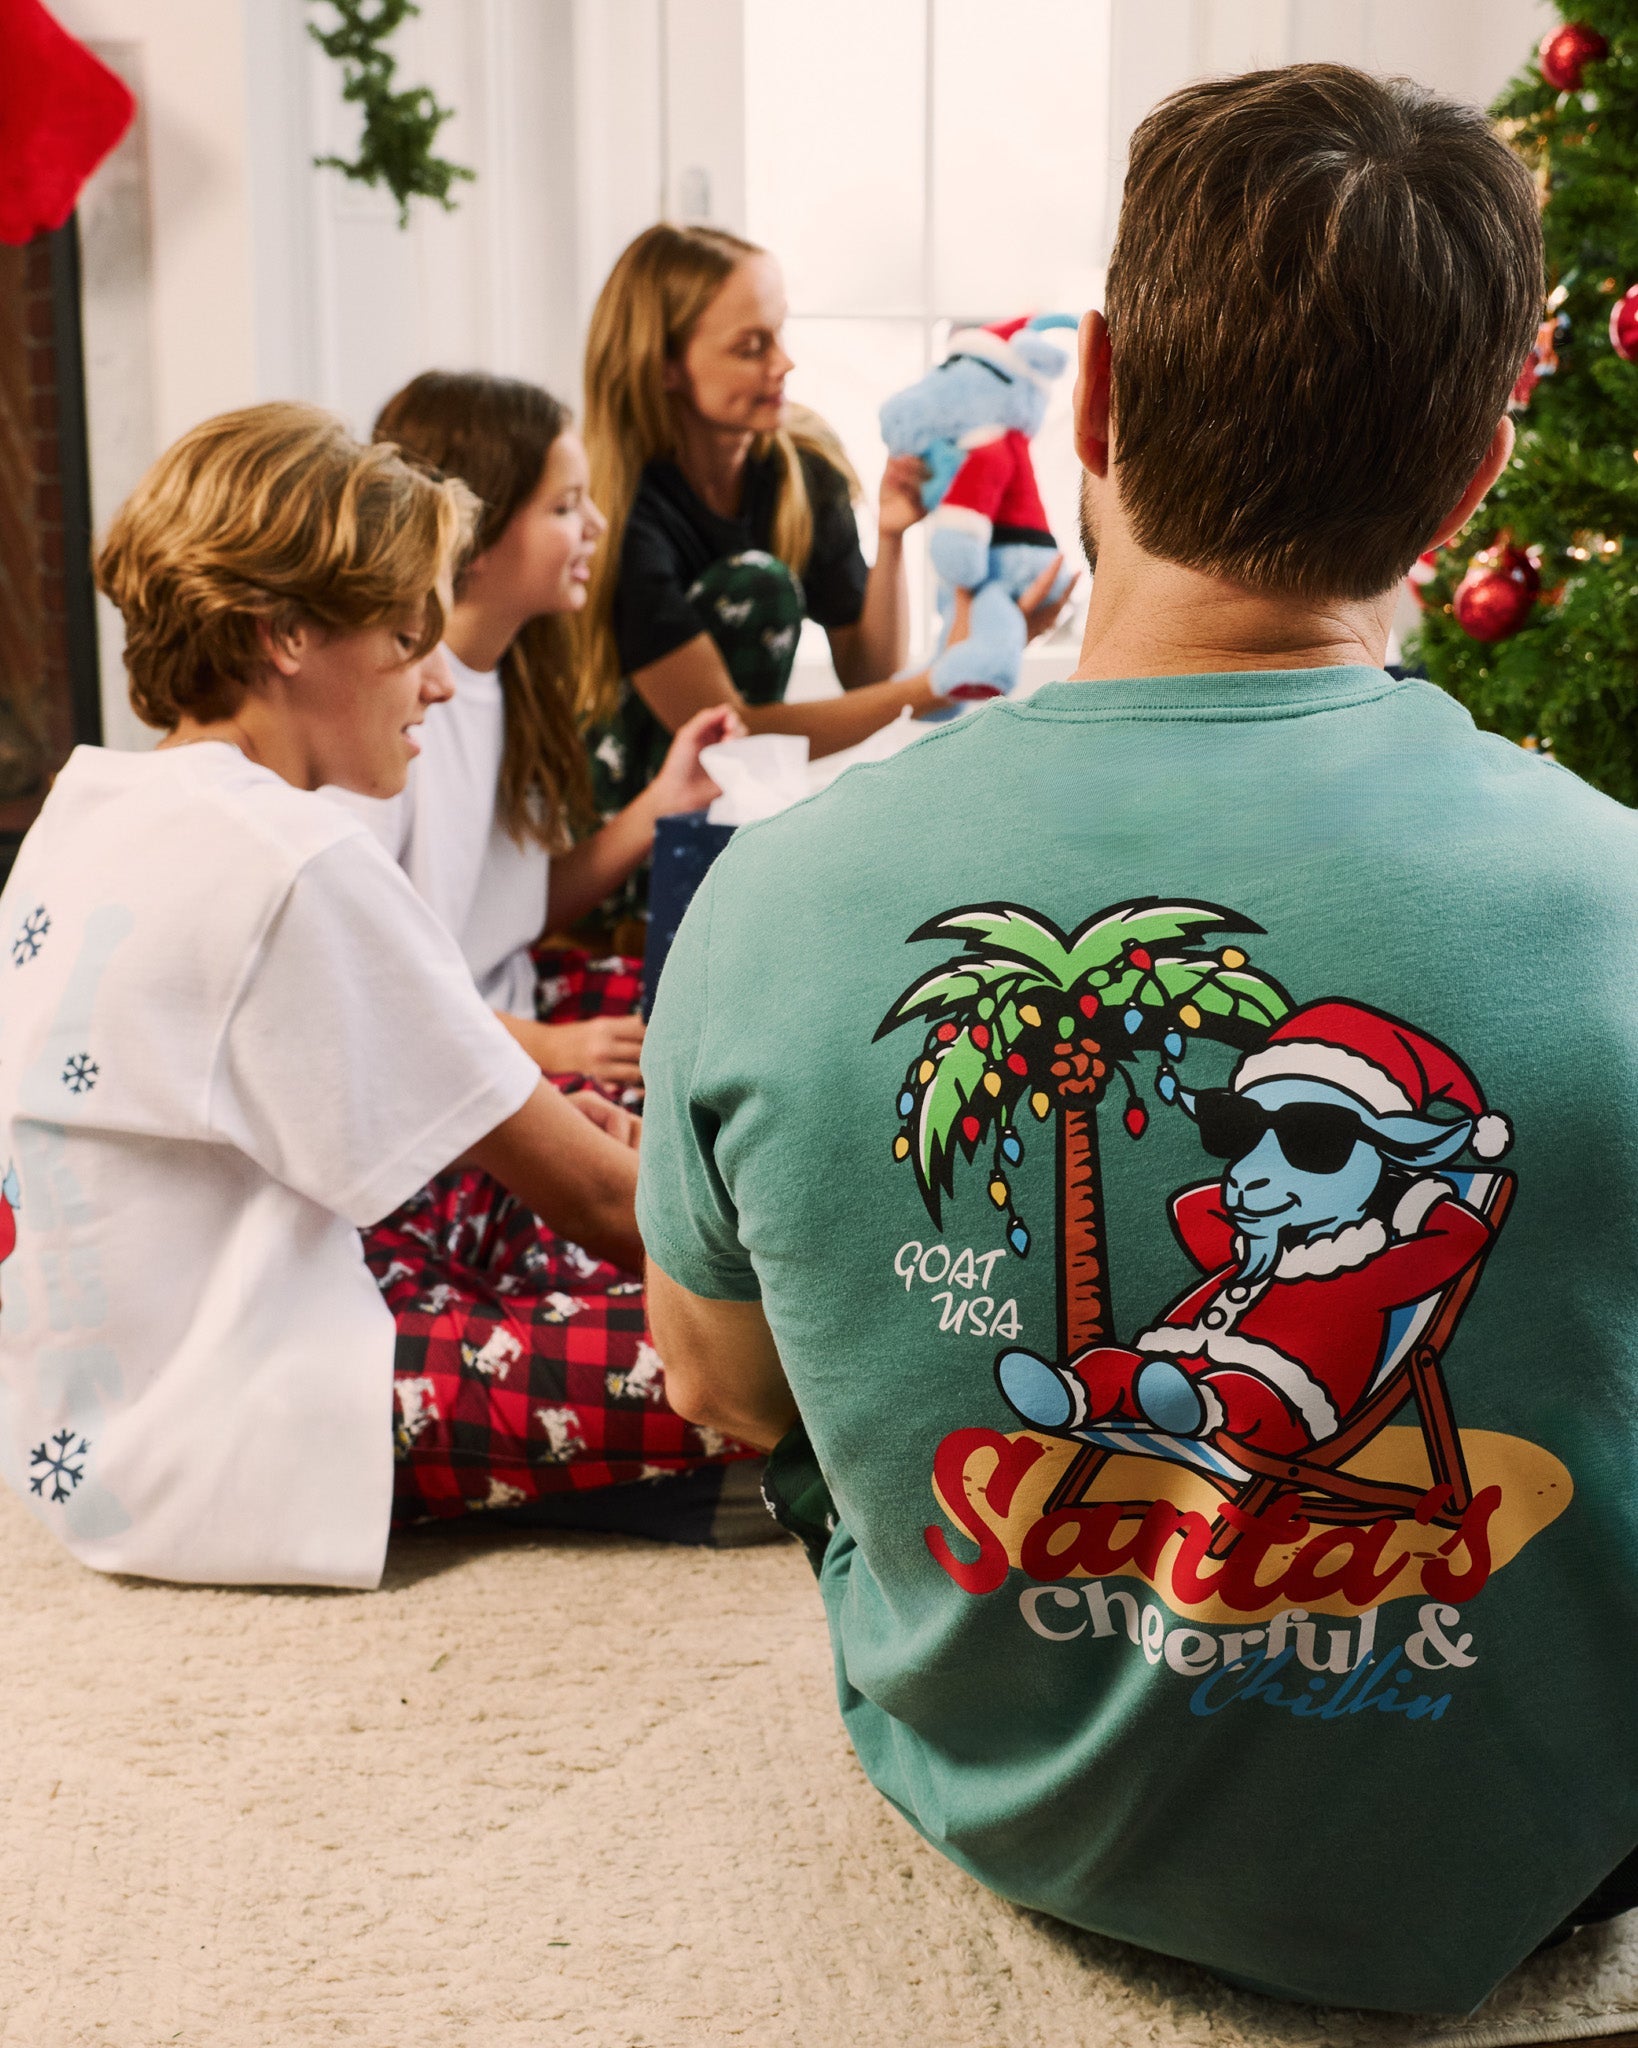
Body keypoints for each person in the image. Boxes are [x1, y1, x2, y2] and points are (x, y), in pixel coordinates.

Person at [636, 65, 1638, 2014]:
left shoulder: (767, 902)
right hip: (1555, 1854)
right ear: (1472, 477)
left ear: (1087, 399)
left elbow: (729, 1394)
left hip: (1025, 1810)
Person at [0, 402, 755, 1591]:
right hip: (239, 1424)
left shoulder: (90, 804)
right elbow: (615, 1208)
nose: (439, 685)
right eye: (410, 639)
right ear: (285, 635)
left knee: (564, 1160)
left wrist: (571, 1126)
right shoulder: (294, 861)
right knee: (764, 1345)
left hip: (95, 1417)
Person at [578, 222, 1072, 938]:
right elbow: (728, 735)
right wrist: (935, 684)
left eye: (778, 335)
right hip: (629, 818)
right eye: (751, 347)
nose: (784, 363)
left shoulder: (799, 468)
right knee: (758, 586)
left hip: (734, 801)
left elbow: (867, 671)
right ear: (664, 366)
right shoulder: (627, 519)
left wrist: (894, 537)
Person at [346, 370, 739, 1093]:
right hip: (452, 1059)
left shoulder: (512, 680)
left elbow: (505, 915)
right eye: (564, 506)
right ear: (472, 533)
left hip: (512, 1007)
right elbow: (372, 982)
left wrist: (663, 801)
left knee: (730, 1016)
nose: (597, 522)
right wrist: (551, 1049)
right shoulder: (390, 713)